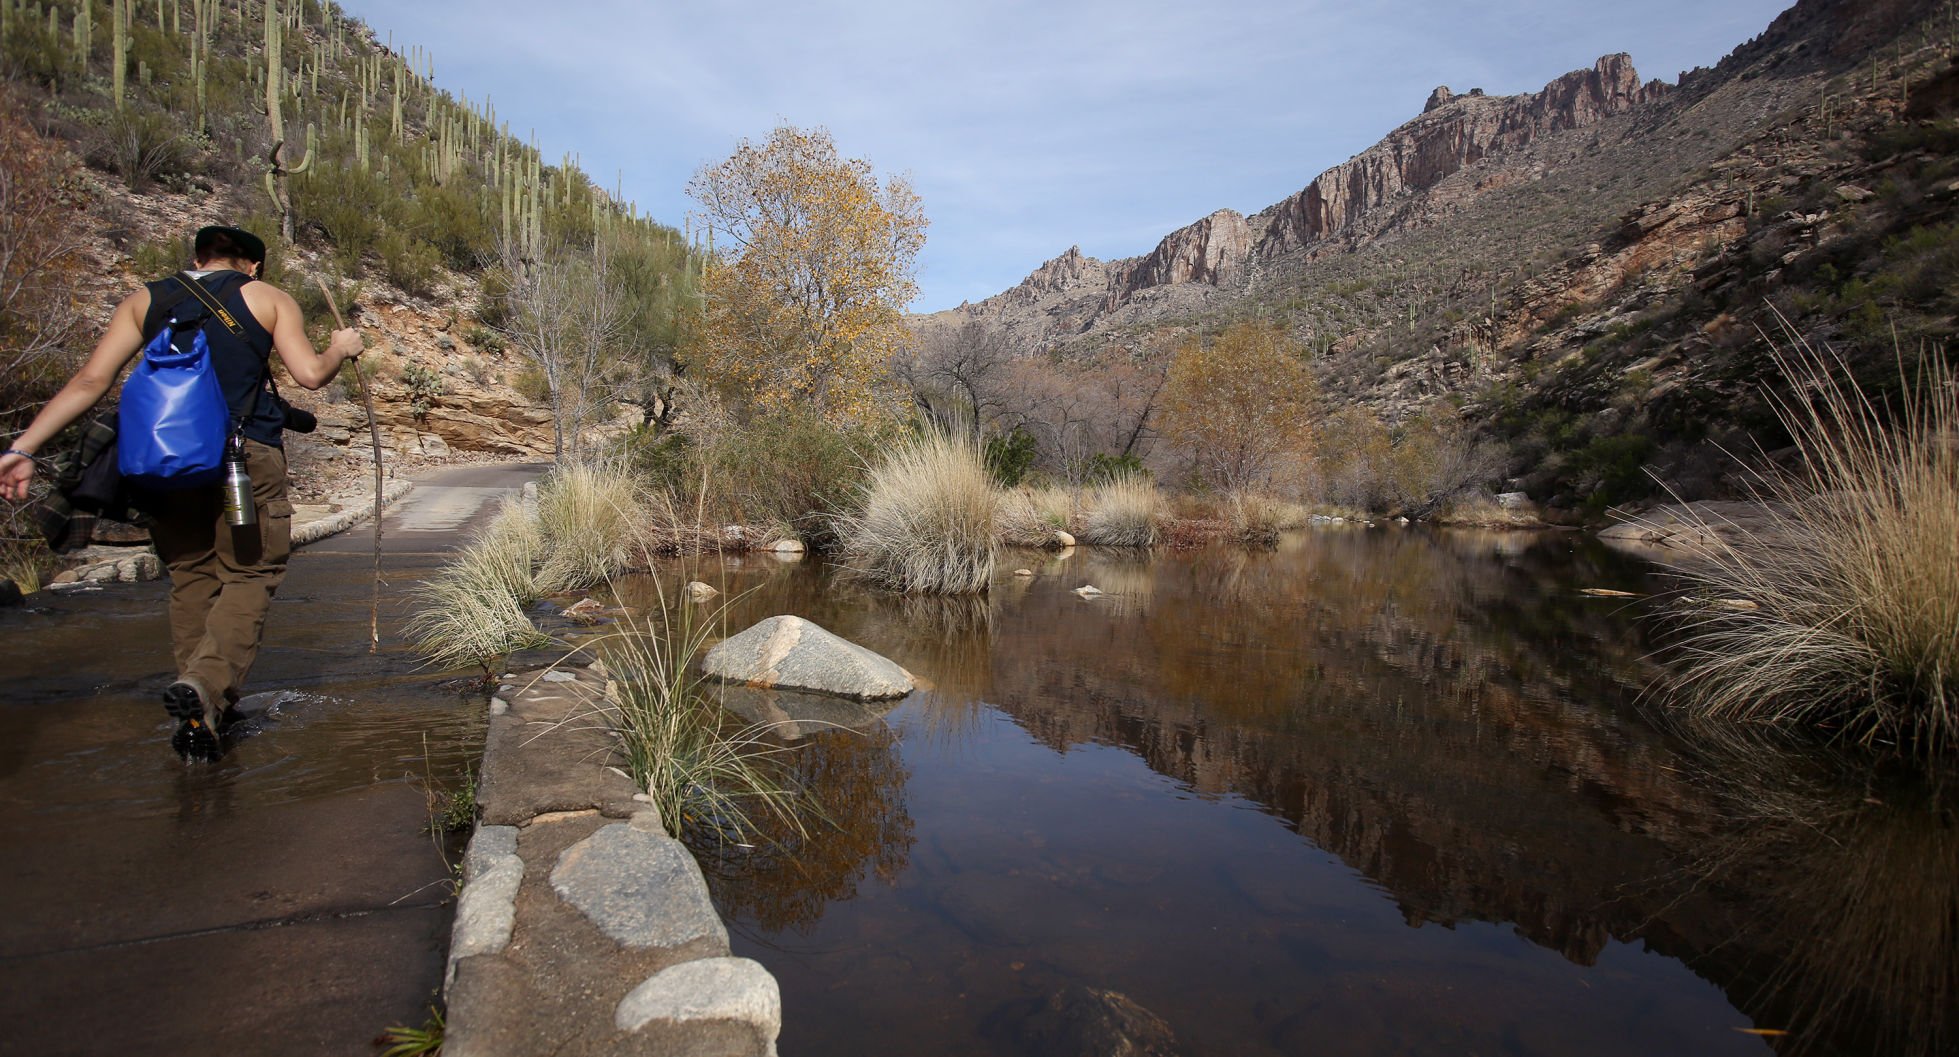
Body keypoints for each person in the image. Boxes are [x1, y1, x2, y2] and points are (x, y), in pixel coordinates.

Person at [0, 225, 363, 759]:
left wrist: (23, 449)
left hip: (160, 467)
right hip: (243, 460)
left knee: (191, 575)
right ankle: (205, 689)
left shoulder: (145, 299)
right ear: (252, 265)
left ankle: (203, 704)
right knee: (249, 574)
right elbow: (309, 375)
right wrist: (340, 348)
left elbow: (89, 381)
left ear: (196, 257)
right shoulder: (266, 297)